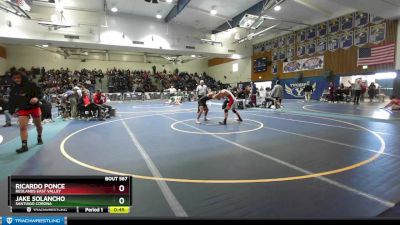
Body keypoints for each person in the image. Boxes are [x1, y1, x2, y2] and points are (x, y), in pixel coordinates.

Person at [8, 71, 44, 154]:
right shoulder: (14, 88)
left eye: (18, 77)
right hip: (23, 109)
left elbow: (40, 93)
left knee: (38, 125)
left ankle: (39, 137)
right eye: (14, 78)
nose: (16, 79)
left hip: (34, 107)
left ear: (22, 77)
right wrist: (11, 111)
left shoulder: (32, 84)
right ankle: (24, 146)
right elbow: (11, 101)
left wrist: (36, 98)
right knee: (22, 127)